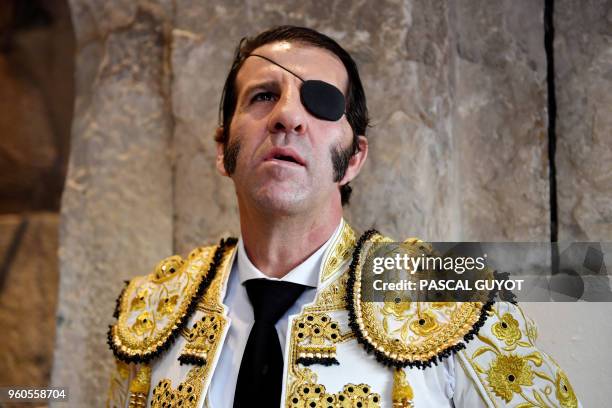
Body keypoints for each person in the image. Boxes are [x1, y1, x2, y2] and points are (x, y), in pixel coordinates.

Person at [106, 25, 580, 408]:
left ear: (352, 158)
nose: (287, 117)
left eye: (320, 102)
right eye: (262, 96)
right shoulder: (155, 307)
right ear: (221, 149)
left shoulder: (451, 300)